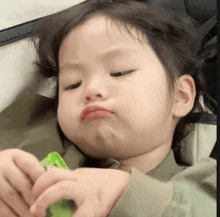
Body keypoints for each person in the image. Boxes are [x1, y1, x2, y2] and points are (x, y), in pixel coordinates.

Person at [0, 0, 216, 216]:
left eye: (120, 72)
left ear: (180, 95)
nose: (91, 90)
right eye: (72, 84)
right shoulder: (28, 132)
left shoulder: (197, 187)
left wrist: (130, 194)